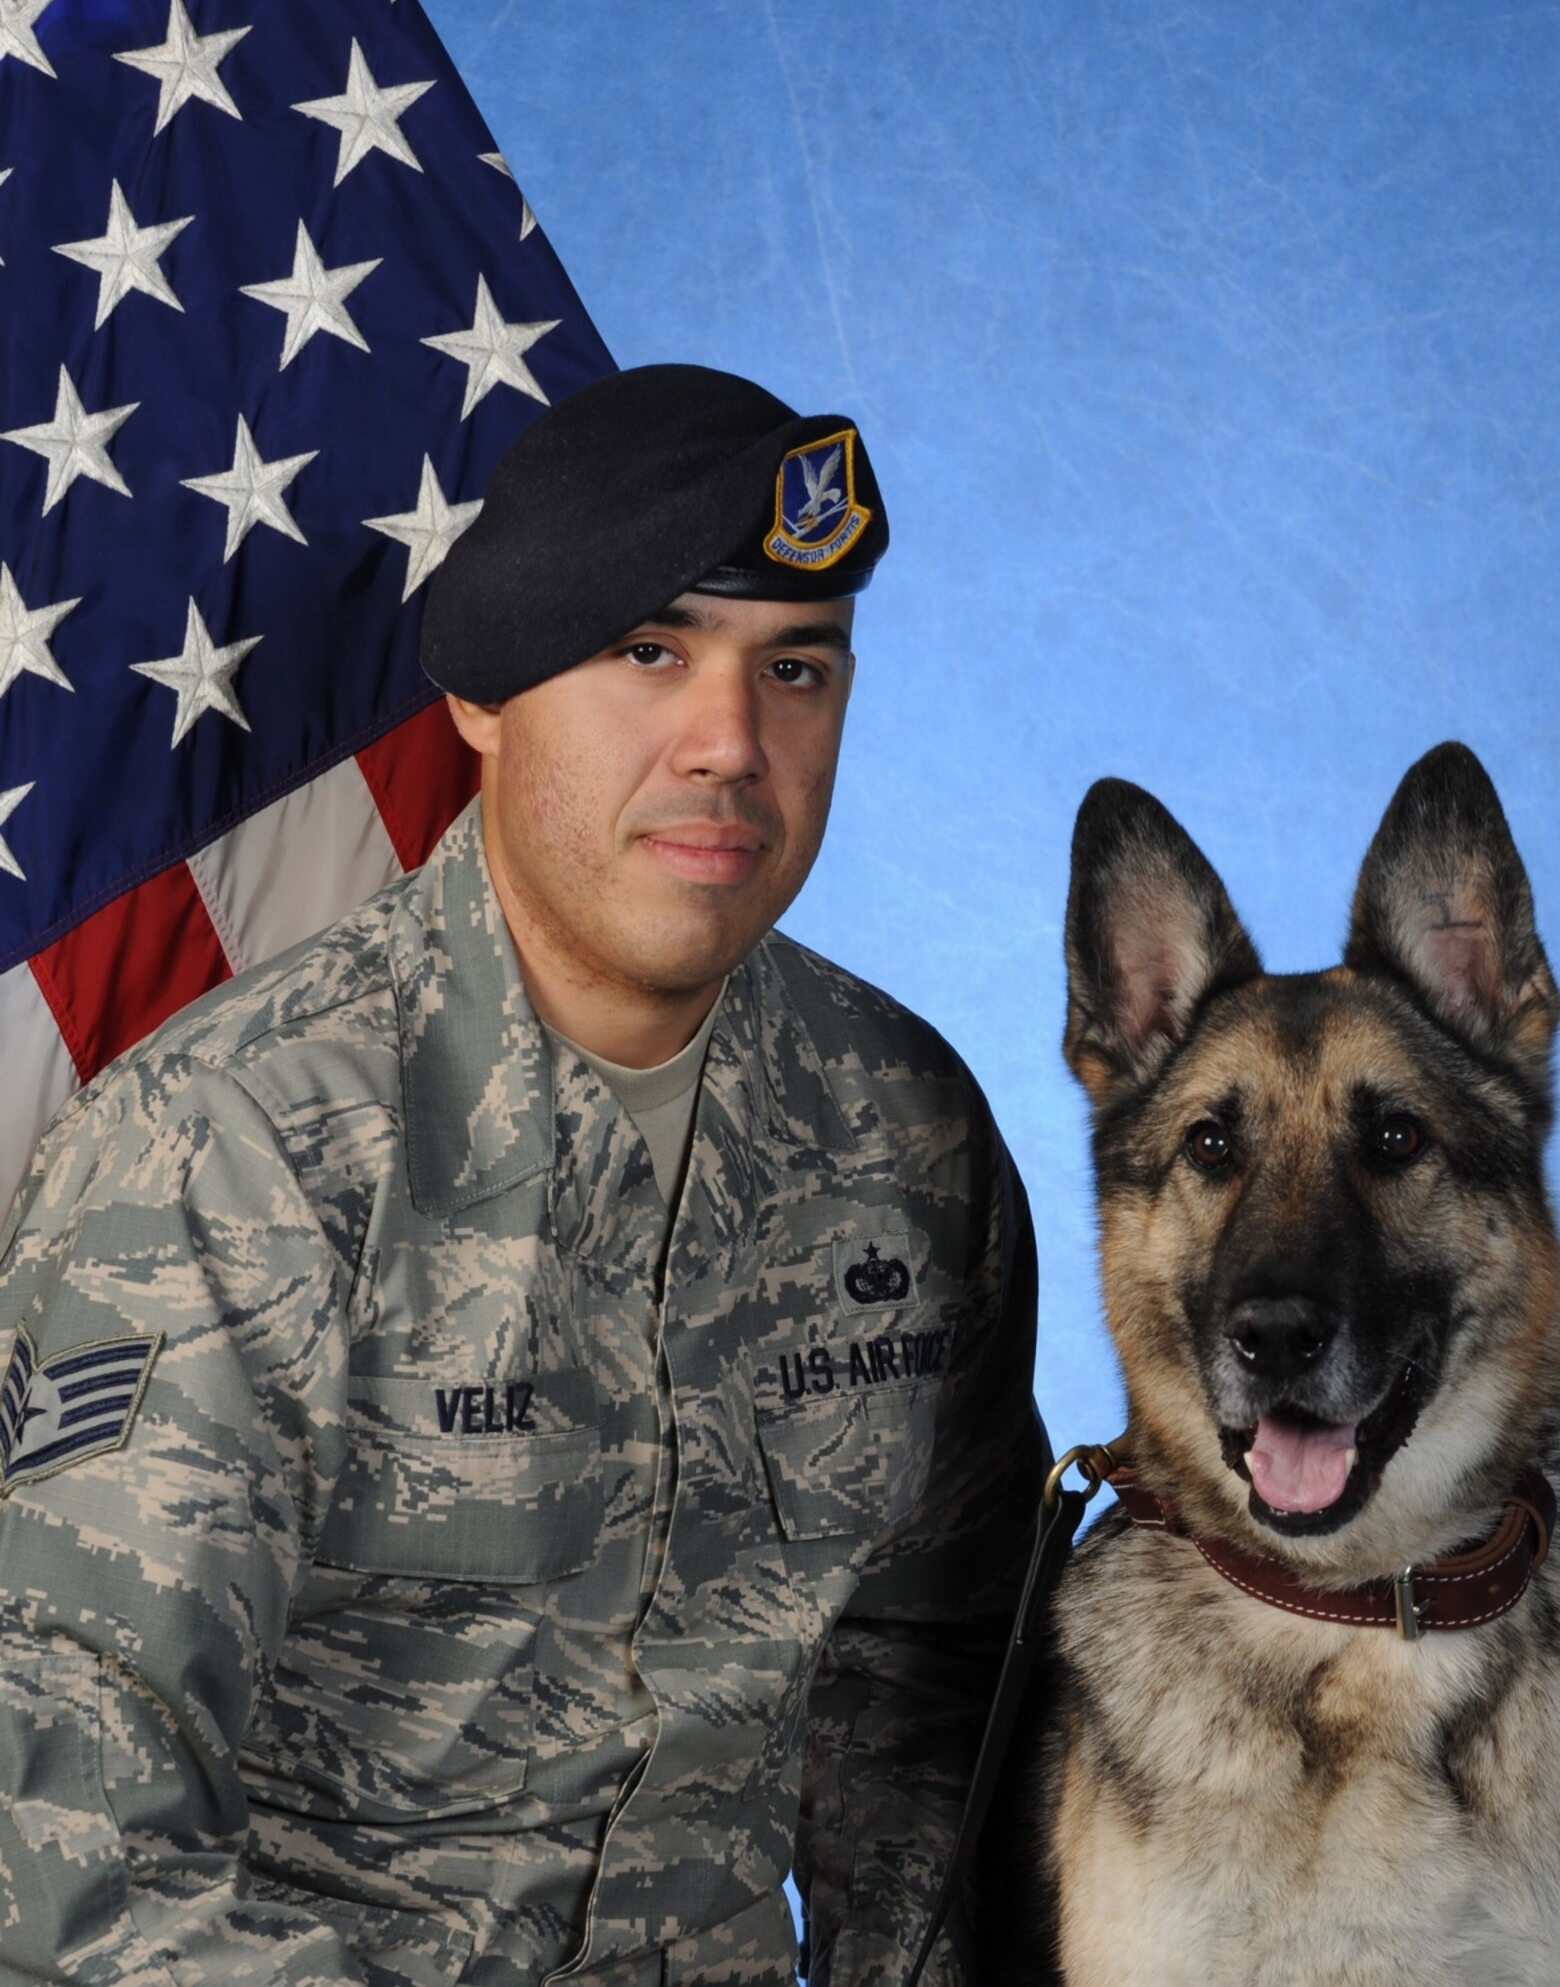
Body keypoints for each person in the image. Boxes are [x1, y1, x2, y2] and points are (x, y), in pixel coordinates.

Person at [0, 365, 1042, 1987]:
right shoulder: (237, 1152)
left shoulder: (900, 1134)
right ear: (483, 695)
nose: (732, 746)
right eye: (650, 654)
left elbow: (937, 1689)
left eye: (799, 669)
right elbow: (63, 1868)